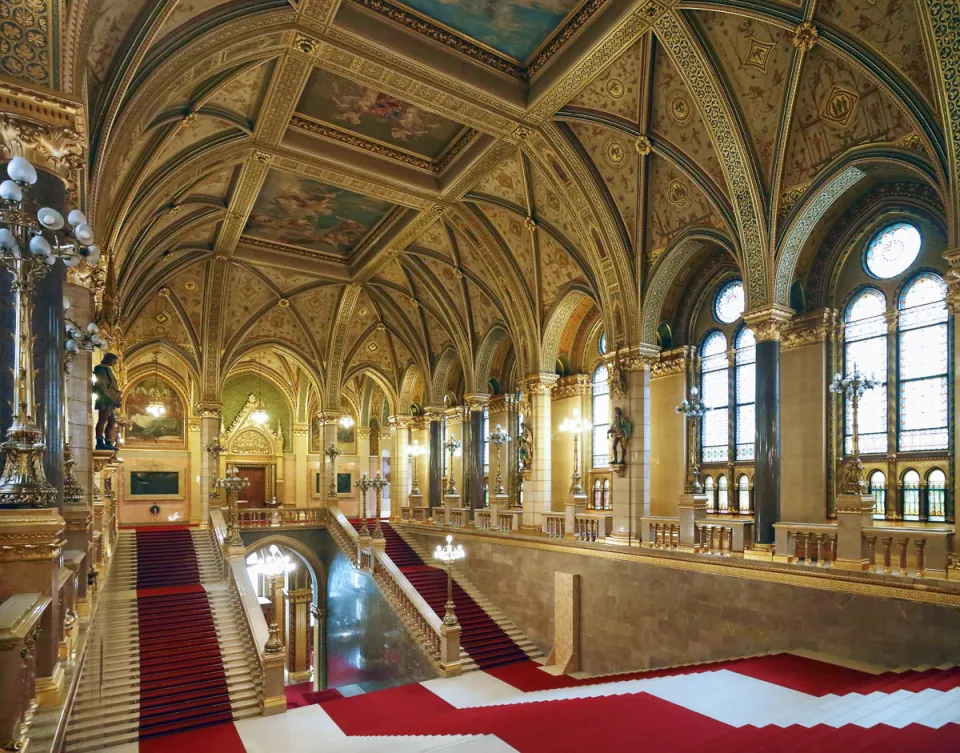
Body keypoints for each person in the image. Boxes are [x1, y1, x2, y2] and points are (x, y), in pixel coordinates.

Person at [93, 353, 121, 450]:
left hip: (110, 399)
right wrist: (109, 396)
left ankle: (108, 441)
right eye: (114, 360)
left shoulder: (107, 368)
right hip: (105, 398)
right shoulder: (100, 368)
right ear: (109, 359)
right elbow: (102, 384)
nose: (115, 363)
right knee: (102, 419)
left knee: (112, 420)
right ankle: (99, 442)